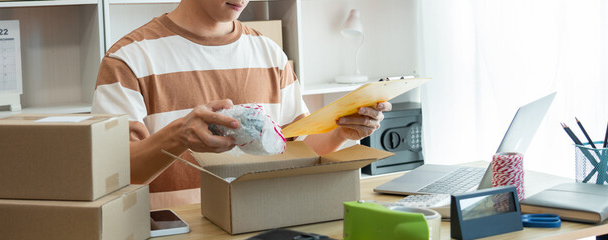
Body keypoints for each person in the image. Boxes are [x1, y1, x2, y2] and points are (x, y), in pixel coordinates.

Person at [92, 0, 392, 209]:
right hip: (175, 231)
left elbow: (297, 148)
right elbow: (115, 175)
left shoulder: (269, 53)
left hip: (261, 223)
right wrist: (178, 135)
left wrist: (342, 132)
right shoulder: (127, 59)